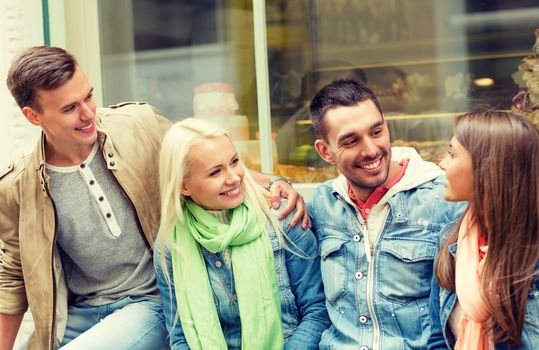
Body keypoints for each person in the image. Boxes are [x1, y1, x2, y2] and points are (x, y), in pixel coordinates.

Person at [0, 46, 308, 350]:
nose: (87, 114)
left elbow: (199, 160)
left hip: (149, 302)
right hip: (77, 314)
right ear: (32, 116)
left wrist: (275, 182)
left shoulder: (139, 125)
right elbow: (11, 278)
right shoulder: (18, 185)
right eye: (69, 109)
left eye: (89, 96)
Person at [307, 79, 465, 349]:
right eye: (351, 140)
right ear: (325, 151)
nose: (371, 150)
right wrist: (277, 184)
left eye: (377, 131)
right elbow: (316, 309)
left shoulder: (445, 200)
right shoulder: (322, 204)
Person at [153, 118, 329, 349]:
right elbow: (180, 336)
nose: (234, 177)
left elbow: (317, 312)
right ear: (184, 186)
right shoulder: (171, 245)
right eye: (215, 172)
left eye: (234, 161)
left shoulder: (282, 218)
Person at [428, 109, 539, 349]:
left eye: (451, 154)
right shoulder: (451, 237)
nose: (442, 164)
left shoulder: (532, 258)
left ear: (487, 167)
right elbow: (436, 336)